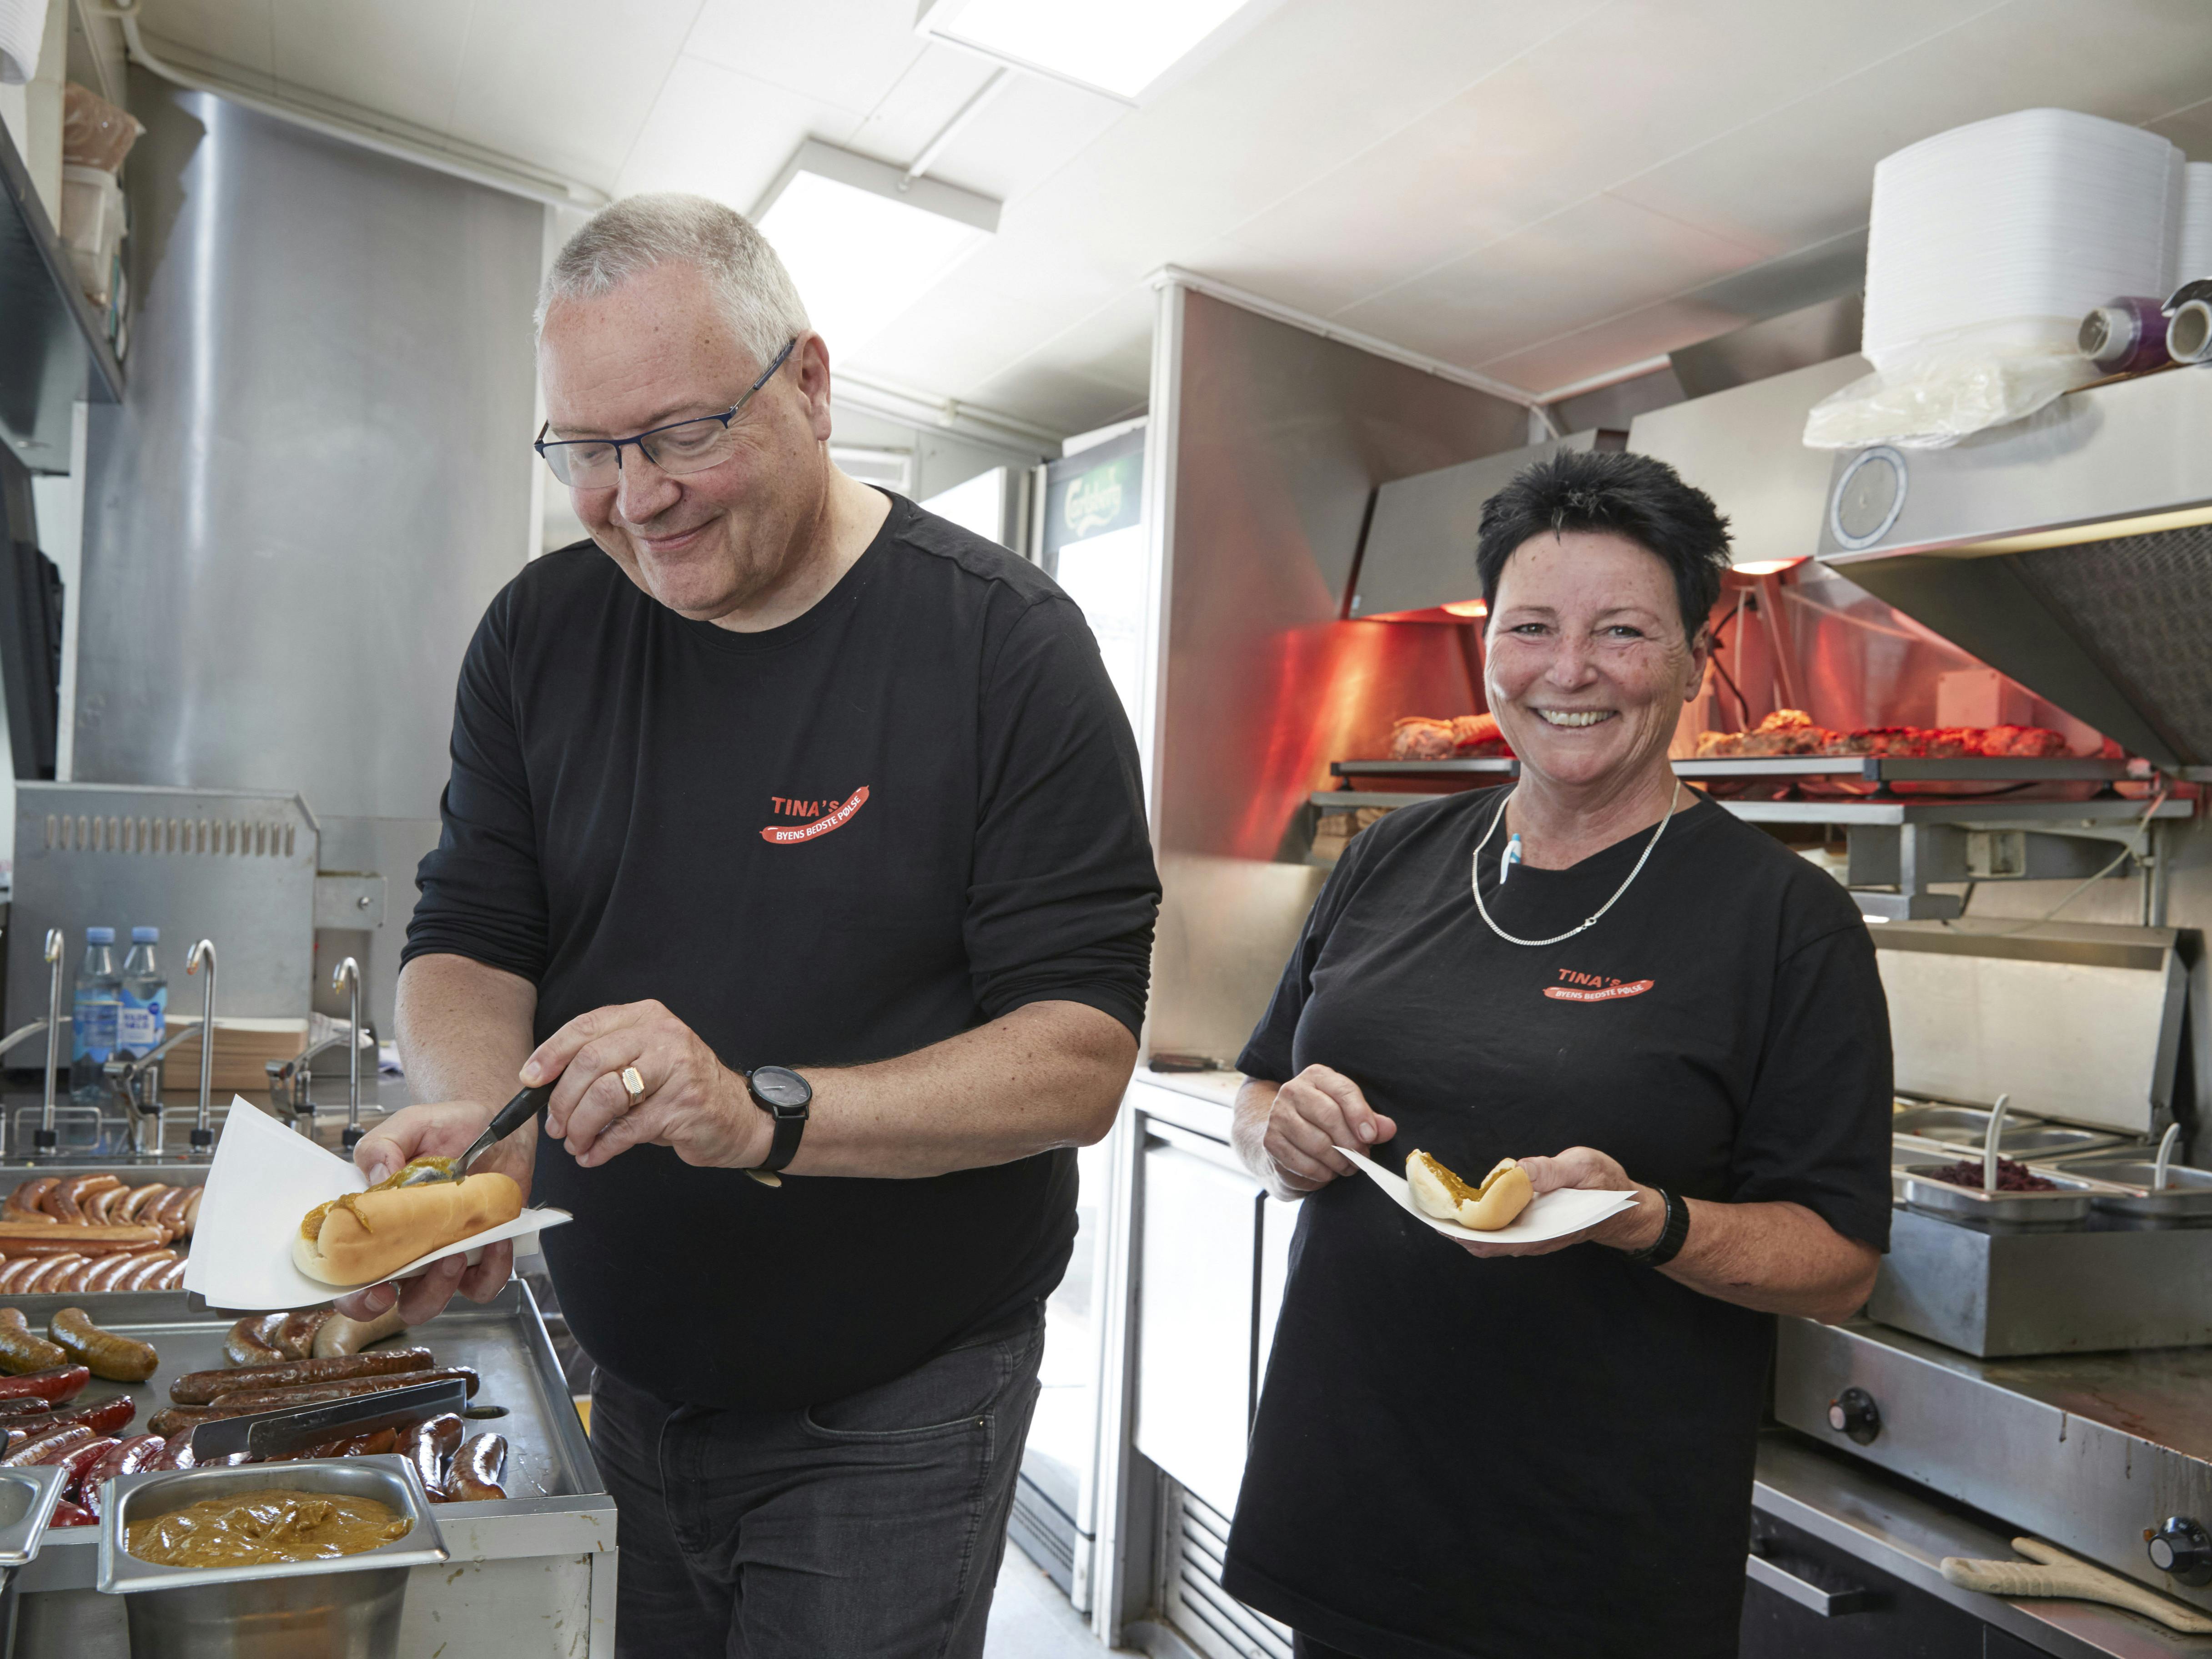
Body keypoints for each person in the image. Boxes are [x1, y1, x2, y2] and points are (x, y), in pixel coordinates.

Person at [337, 193, 1161, 1659]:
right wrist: (479, 1114)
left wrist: (758, 1112)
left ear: (814, 385)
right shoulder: (541, 634)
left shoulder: (1002, 646)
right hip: (620, 1367)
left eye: (682, 433)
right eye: (585, 450)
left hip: (895, 1411)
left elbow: (1078, 1060)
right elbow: (471, 931)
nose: (634, 498)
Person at [1222, 449, 1892, 1659]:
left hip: (1587, 1560)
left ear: (1699, 653)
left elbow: (1839, 1259)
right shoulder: (1388, 859)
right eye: (1531, 626)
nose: (1570, 671)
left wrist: (1653, 1219)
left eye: (1624, 631)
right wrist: (1277, 1129)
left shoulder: (1785, 919)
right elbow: (1260, 1087)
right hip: (1351, 1500)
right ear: (1489, 649)